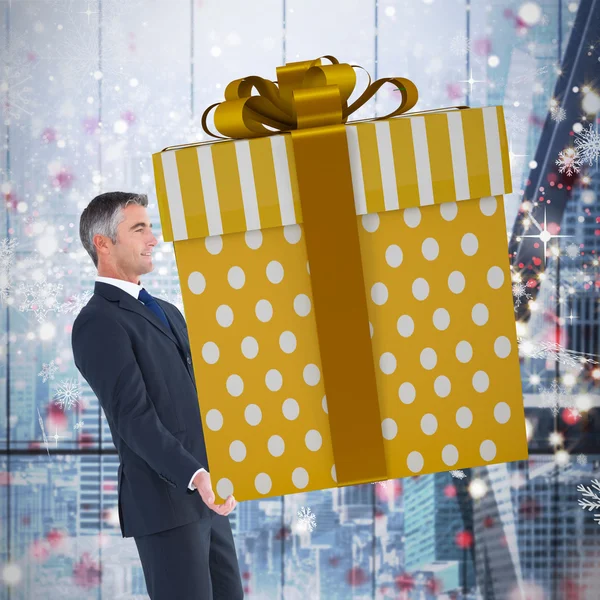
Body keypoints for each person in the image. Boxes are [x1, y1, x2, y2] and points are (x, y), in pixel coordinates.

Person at [71, 191, 244, 599]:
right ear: (103, 243)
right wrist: (195, 475)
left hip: (208, 495)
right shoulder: (97, 322)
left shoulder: (167, 309)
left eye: (151, 227)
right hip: (165, 504)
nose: (153, 239)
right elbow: (134, 418)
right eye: (139, 228)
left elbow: (197, 397)